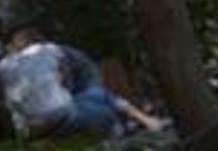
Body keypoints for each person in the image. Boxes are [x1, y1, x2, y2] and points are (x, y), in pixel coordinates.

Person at [0, 25, 166, 141]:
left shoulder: (5, 64)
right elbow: (66, 81)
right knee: (101, 95)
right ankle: (142, 123)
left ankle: (133, 123)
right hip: (65, 119)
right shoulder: (50, 50)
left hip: (28, 131)